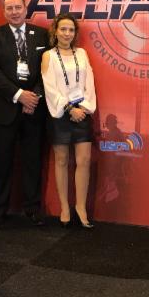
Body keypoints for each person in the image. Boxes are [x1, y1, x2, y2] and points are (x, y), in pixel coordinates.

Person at [0, 0, 49, 228]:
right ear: (4, 11)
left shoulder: (41, 34)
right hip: (3, 109)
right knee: (1, 163)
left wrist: (34, 97)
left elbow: (47, 70)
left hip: (33, 110)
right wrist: (19, 95)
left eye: (18, 7)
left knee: (32, 162)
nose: (14, 12)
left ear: (25, 9)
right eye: (9, 8)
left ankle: (33, 208)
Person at [41, 12, 97, 228]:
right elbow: (50, 88)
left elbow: (89, 83)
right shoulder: (49, 56)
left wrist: (83, 108)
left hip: (82, 113)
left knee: (84, 161)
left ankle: (80, 207)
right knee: (62, 161)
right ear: (55, 31)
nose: (67, 33)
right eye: (63, 29)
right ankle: (65, 207)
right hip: (60, 114)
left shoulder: (82, 53)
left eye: (71, 30)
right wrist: (69, 108)